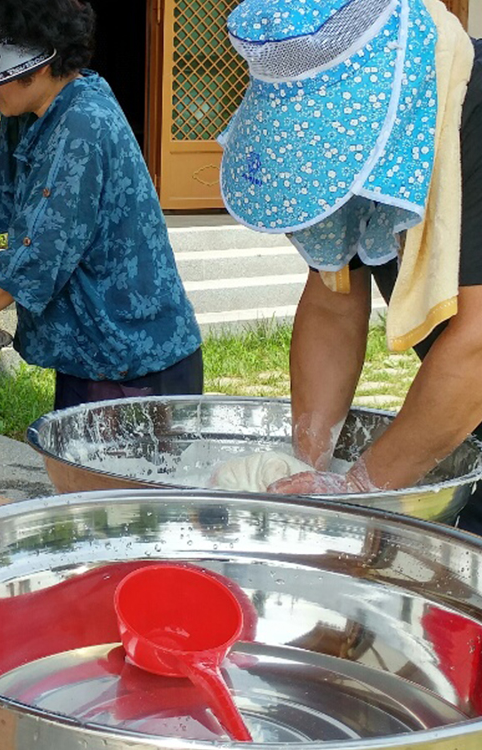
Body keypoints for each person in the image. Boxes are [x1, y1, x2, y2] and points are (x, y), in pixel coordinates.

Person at [218, 0, 482, 531]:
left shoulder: (467, 117)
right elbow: (334, 301)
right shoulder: (374, 144)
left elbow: (477, 346)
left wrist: (357, 491)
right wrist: (306, 466)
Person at [0, 0, 203, 410]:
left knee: (120, 477)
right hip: (89, 357)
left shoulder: (82, 123)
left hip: (134, 360)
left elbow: (33, 259)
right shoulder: (30, 114)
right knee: (80, 472)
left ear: (40, 65)